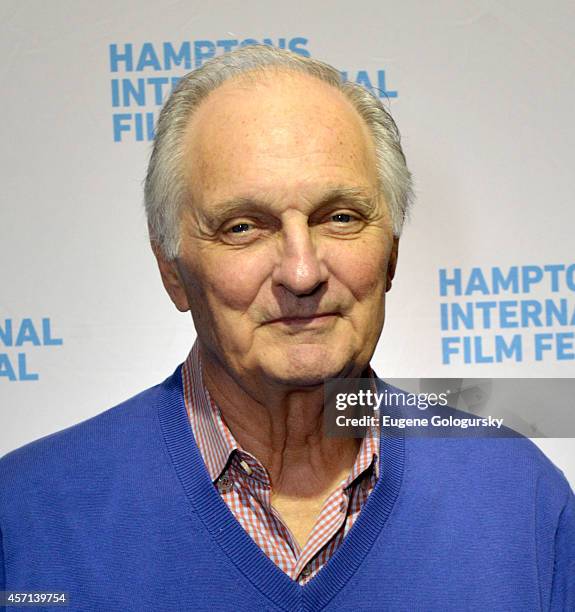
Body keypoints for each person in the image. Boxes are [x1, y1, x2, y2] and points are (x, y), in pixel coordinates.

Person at [0, 45, 573, 611]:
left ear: (391, 255)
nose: (302, 273)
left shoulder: (521, 500)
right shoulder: (26, 515)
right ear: (172, 272)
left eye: (340, 217)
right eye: (244, 227)